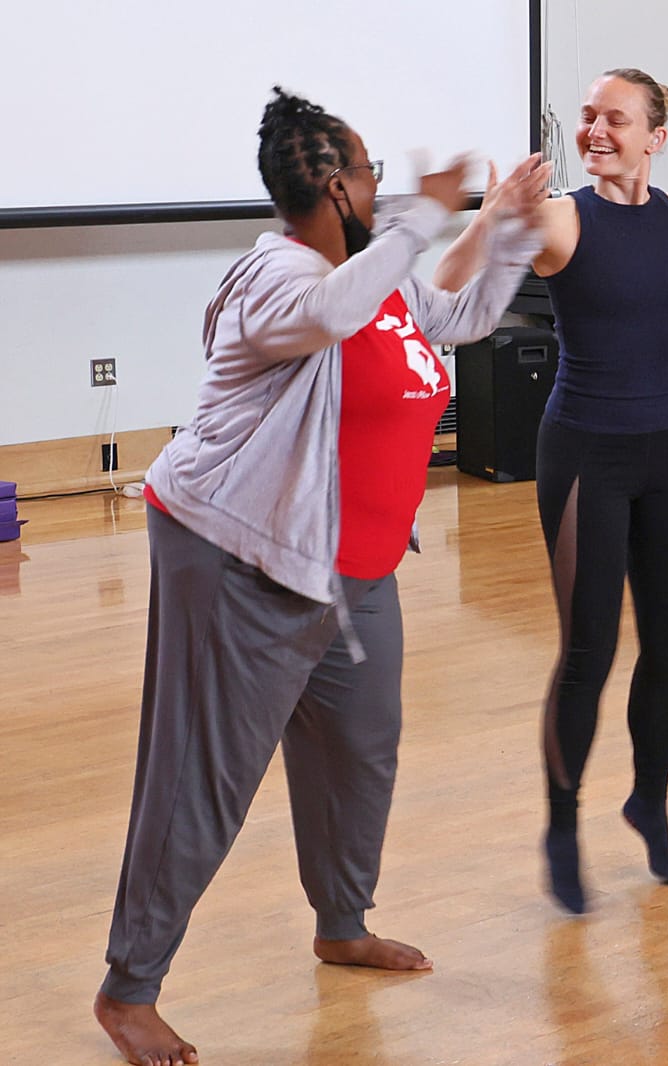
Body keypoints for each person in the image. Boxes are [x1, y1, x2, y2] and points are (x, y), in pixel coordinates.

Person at [94, 88, 550, 1066]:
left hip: (353, 567)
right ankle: (128, 990)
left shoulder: (374, 276)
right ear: (337, 187)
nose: (384, 185)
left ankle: (340, 922)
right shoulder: (280, 277)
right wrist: (422, 216)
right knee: (203, 778)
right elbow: (329, 313)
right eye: (372, 171)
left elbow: (458, 315)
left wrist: (505, 230)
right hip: (237, 557)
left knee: (359, 749)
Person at [435, 68, 668, 913]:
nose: (596, 130)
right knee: (588, 653)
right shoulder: (563, 217)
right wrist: (492, 217)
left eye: (617, 119)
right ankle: (562, 827)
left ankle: (650, 801)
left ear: (655, 138)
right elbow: (453, 287)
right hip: (584, 458)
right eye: (590, 118)